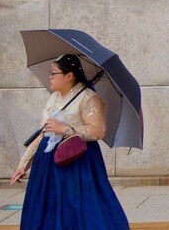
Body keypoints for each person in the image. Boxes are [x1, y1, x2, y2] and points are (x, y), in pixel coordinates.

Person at [11, 54, 129, 230]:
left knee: (79, 204)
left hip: (77, 161)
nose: (50, 77)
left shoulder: (89, 98)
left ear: (69, 75)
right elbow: (43, 133)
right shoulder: (53, 98)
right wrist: (24, 164)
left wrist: (65, 129)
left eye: (53, 73)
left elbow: (97, 131)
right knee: (47, 205)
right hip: (47, 162)